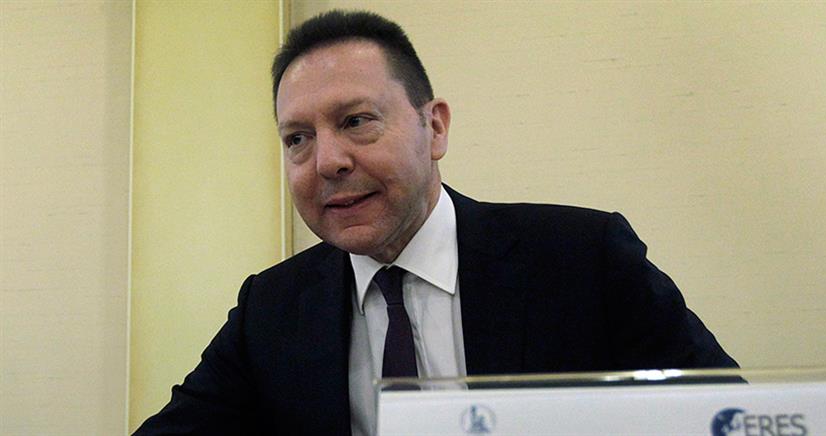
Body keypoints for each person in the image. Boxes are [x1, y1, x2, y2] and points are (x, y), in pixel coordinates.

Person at [135, 10, 737, 435]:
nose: (327, 161)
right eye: (298, 138)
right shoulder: (271, 310)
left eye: (355, 121)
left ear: (435, 126)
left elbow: (728, 416)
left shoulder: (584, 260)